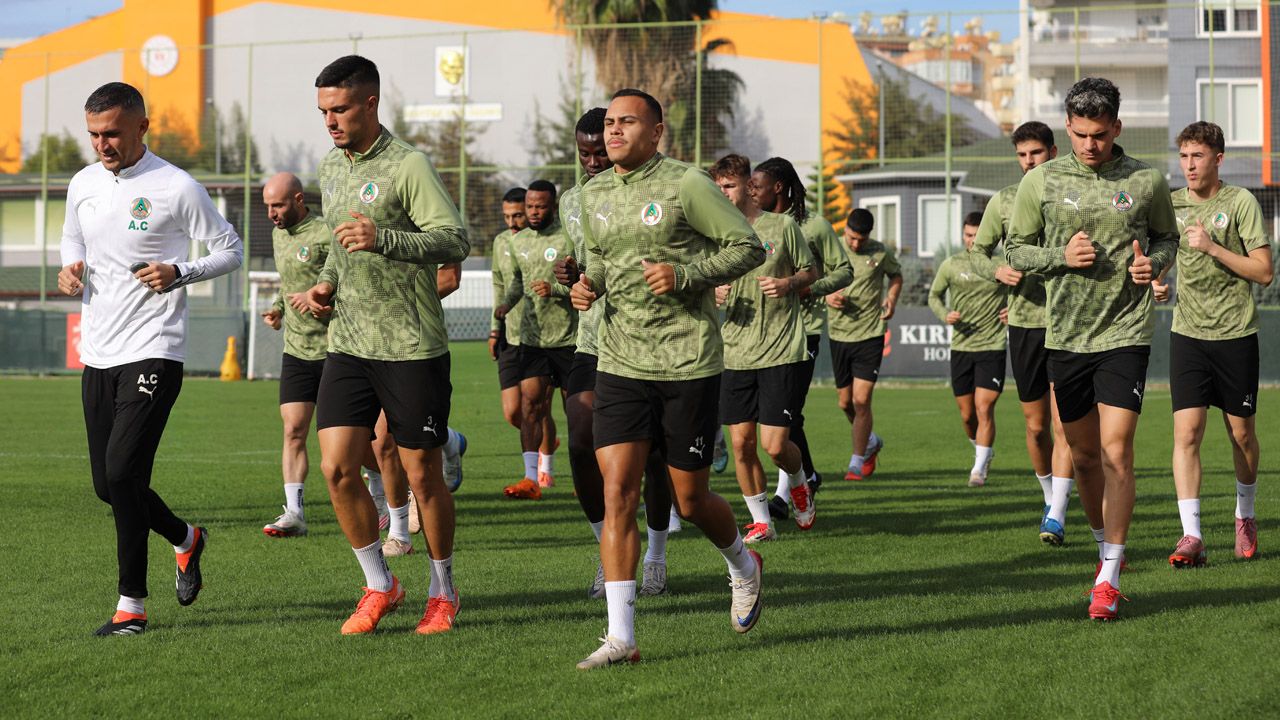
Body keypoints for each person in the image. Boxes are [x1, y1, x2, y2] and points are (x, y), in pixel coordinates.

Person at [569, 88, 765, 668]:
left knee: (691, 497)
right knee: (618, 492)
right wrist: (587, 284)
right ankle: (621, 637)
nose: (613, 131)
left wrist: (685, 274)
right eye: (609, 122)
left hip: (687, 363)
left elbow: (747, 247)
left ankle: (743, 564)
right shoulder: (592, 193)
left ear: (656, 132)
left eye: (627, 122)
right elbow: (601, 261)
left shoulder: (687, 183)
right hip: (619, 362)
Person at [58, 82, 243, 635]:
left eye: (112, 133)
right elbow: (73, 241)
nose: (102, 144)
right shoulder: (83, 183)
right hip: (98, 351)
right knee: (108, 485)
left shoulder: (176, 186)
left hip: (154, 349)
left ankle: (131, 607)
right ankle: (186, 538)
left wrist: (180, 272)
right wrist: (70, 269)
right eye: (93, 134)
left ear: (142, 126)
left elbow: (230, 249)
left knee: (123, 473)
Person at [302, 55, 469, 635]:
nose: (330, 121)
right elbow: (337, 244)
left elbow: (454, 240)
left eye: (340, 109)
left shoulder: (408, 165)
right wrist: (326, 281)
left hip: (411, 345)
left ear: (370, 103)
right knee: (336, 468)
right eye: (323, 111)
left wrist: (385, 239)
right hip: (348, 341)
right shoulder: (330, 166)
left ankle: (442, 591)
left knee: (422, 475)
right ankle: (380, 584)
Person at [1006, 77, 1178, 621]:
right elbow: (1015, 250)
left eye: (1099, 135)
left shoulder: (1146, 180)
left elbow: (1166, 238)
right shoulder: (1042, 181)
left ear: (1117, 128)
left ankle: (1109, 576)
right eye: (1080, 135)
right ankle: (1104, 547)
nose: (1089, 145)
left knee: (1116, 451)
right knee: (1082, 458)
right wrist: (1060, 256)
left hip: (1126, 333)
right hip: (1065, 337)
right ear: (1067, 128)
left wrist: (1154, 264)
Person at [554, 107, 674, 597]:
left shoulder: (658, 189)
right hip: (593, 341)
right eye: (583, 154)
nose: (592, 162)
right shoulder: (572, 201)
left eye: (598, 153)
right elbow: (584, 269)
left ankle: (656, 556)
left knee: (654, 456)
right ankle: (608, 550)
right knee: (581, 441)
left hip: (650, 341)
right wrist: (570, 276)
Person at [1156, 121, 1272, 567]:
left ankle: (1245, 514)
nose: (1189, 165)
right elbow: (1165, 258)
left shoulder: (1239, 202)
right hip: (1187, 334)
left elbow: (1264, 271)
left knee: (1241, 435)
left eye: (1198, 156)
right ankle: (1192, 536)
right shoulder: (1172, 204)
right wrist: (1158, 282)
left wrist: (1212, 248)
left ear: (1218, 159)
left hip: (1235, 335)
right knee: (1186, 433)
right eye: (1184, 156)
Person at [970, 121, 1076, 543]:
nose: (1029, 161)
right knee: (1036, 427)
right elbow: (978, 252)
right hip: (1025, 326)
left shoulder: (1073, 192)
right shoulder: (1004, 201)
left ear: (1053, 152)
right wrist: (997, 270)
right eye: (1022, 154)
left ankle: (1058, 512)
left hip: (1069, 323)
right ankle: (1050, 497)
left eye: (1036, 152)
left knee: (1064, 424)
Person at [710, 153, 817, 542]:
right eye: (718, 187)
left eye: (729, 186)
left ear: (748, 186)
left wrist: (788, 284)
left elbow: (811, 271)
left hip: (780, 350)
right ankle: (761, 522)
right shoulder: (715, 235)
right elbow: (704, 280)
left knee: (774, 447)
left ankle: (799, 480)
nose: (723, 193)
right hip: (735, 352)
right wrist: (714, 291)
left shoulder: (782, 226)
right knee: (741, 444)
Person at [749, 156, 852, 512]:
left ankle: (784, 494)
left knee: (787, 412)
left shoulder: (814, 226)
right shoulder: (754, 225)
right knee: (776, 414)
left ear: (778, 187)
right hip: (762, 333)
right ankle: (807, 475)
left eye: (757, 186)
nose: (751, 192)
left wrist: (809, 288)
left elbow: (844, 271)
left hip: (803, 332)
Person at [496, 179, 576, 497]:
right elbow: (517, 281)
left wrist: (555, 290)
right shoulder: (519, 241)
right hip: (532, 339)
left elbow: (585, 282)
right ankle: (531, 479)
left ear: (553, 206)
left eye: (540, 207)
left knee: (577, 411)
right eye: (529, 206)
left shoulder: (568, 237)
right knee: (530, 405)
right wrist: (507, 303)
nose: (533, 212)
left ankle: (586, 476)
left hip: (569, 338)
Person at [261, 172, 330, 538]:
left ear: (299, 200)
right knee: (293, 430)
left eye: (278, 205)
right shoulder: (278, 235)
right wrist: (278, 308)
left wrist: (327, 304)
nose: (271, 213)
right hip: (297, 350)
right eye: (267, 206)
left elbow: (350, 281)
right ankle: (295, 513)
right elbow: (289, 284)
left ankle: (383, 498)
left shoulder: (326, 233)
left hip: (337, 350)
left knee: (358, 443)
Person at [930, 212, 1008, 487]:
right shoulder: (951, 264)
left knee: (984, 407)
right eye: (968, 235)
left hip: (992, 345)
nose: (972, 240)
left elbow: (1025, 291)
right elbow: (934, 295)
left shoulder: (1002, 264)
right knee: (967, 415)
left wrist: (1013, 309)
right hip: (962, 347)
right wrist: (945, 314)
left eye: (977, 235)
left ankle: (978, 469)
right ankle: (982, 451)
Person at [489, 187, 559, 489]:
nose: (512, 222)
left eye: (517, 215)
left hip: (544, 336)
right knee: (513, 412)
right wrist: (495, 327)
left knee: (540, 407)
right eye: (507, 216)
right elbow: (500, 285)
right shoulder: (502, 242)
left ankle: (543, 470)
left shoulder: (550, 238)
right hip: (511, 335)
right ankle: (544, 444)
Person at [825, 208, 902, 482]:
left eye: (861, 239)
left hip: (870, 334)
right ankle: (870, 442)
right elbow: (814, 278)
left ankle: (856, 464)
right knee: (845, 402)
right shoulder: (831, 248)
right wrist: (827, 296)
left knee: (861, 400)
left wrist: (891, 299)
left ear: (869, 235)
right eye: (852, 238)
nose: (856, 244)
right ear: (845, 229)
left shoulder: (880, 252)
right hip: (839, 334)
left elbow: (896, 275)